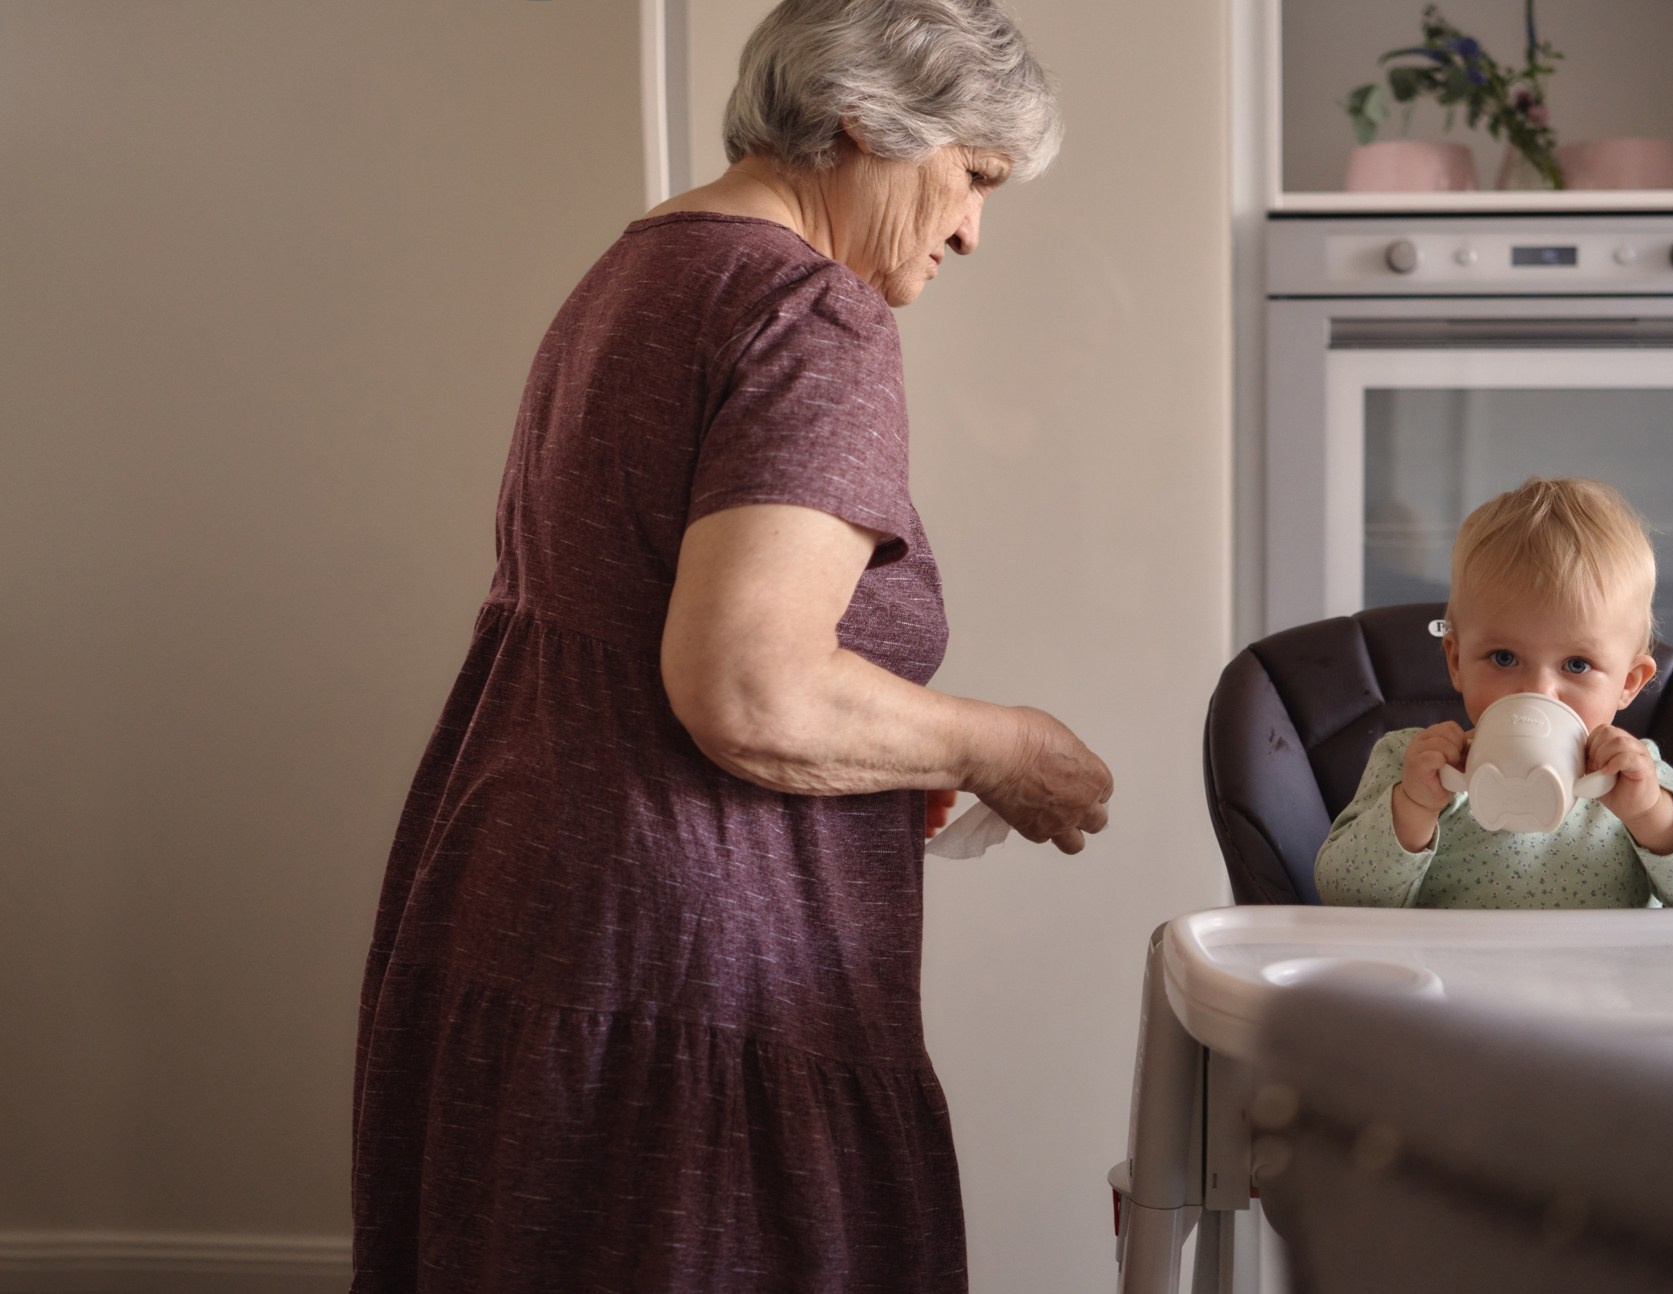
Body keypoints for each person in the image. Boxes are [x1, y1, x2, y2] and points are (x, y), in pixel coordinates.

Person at [350, 2, 1111, 1291]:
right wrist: (1001, 744)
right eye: (973, 176)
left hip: (521, 901)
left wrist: (879, 754)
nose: (976, 227)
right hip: (691, 960)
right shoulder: (814, 313)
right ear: (868, 122)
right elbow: (750, 687)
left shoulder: (640, 268)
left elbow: (655, 631)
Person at [1314, 476, 1673, 909]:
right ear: (1456, 660)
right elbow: (1342, 894)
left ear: (1628, 683)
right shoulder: (1412, 765)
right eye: (1504, 658)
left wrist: (1651, 815)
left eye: (1577, 665)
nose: (1537, 690)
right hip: (1451, 978)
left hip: (1603, 979)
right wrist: (1413, 807)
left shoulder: (1636, 776)